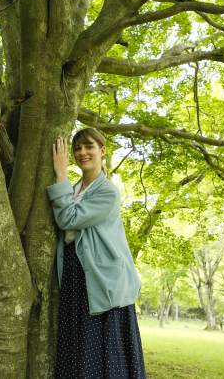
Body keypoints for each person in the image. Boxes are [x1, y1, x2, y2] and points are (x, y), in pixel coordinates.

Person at [48, 128, 146, 379]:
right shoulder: (74, 188)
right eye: (77, 148)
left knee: (102, 353)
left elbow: (68, 218)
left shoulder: (107, 192)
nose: (82, 152)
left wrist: (60, 174)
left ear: (102, 151)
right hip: (75, 275)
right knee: (77, 346)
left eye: (89, 146)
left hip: (103, 281)